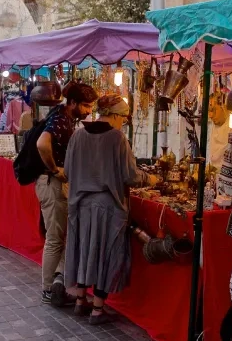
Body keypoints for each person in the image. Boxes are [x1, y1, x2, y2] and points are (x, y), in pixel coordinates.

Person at [63, 95, 158, 324]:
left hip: (81, 204)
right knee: (104, 254)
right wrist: (151, 178)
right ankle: (97, 309)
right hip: (108, 206)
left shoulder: (77, 136)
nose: (123, 122)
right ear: (115, 115)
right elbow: (131, 176)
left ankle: (80, 301)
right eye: (123, 118)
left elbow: (66, 170)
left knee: (85, 251)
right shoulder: (117, 139)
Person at [36, 82, 99, 306]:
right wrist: (55, 169)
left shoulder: (62, 116)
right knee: (54, 239)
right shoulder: (61, 120)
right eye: (85, 105)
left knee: (59, 238)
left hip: (53, 183)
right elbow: (42, 144)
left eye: (91, 106)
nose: (89, 110)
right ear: (72, 102)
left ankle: (57, 286)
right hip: (52, 182)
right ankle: (47, 290)